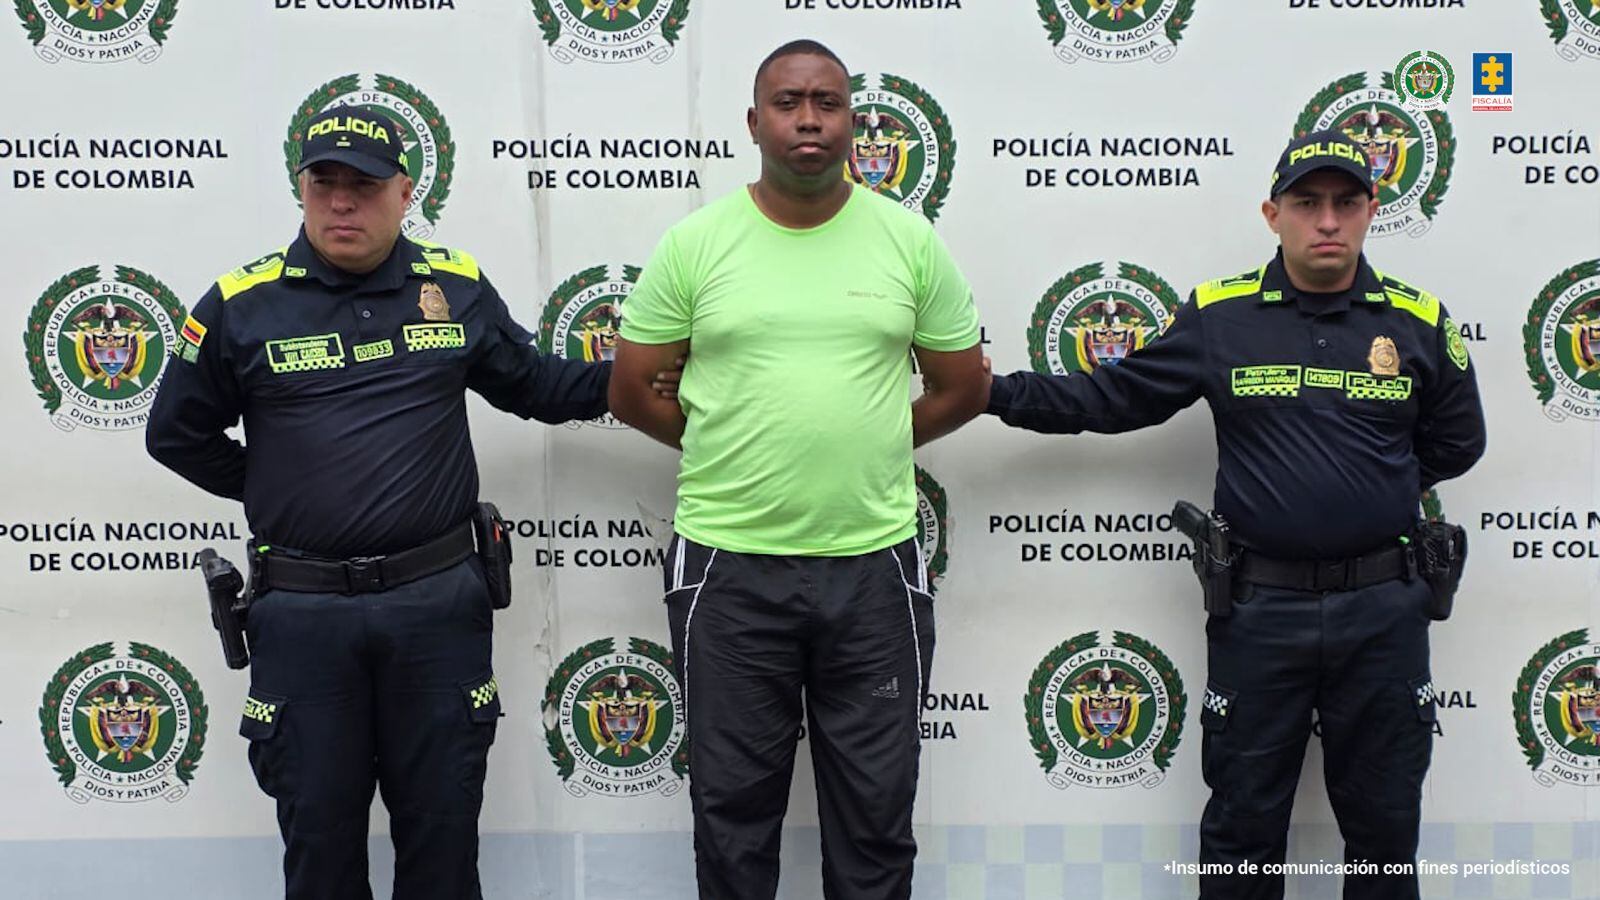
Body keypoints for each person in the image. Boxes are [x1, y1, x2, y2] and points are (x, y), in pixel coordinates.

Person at [984, 130, 1486, 900]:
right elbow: (1116, 397)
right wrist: (989, 393)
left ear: (1371, 210)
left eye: (1346, 203)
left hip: (1384, 612)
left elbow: (1458, 440)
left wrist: (1367, 490)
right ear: (1272, 213)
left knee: (1385, 830)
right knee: (1242, 832)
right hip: (1261, 612)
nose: (1327, 221)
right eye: (1307, 203)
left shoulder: (1417, 322)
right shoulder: (1221, 317)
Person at [145, 105, 610, 900]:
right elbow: (175, 435)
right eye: (323, 183)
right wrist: (276, 486)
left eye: (361, 186)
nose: (340, 204)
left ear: (404, 192)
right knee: (319, 851)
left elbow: (534, 385)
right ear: (301, 190)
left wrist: (644, 379)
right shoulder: (239, 303)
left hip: (437, 611)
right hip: (304, 616)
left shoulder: (452, 286)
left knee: (442, 845)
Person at [608, 39, 989, 900]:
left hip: (876, 569)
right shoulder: (697, 245)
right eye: (788, 102)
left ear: (854, 120)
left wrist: (874, 440)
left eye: (827, 102)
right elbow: (632, 391)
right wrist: (729, 443)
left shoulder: (907, 242)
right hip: (727, 570)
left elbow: (963, 388)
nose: (808, 119)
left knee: (876, 825)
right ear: (754, 122)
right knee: (733, 826)